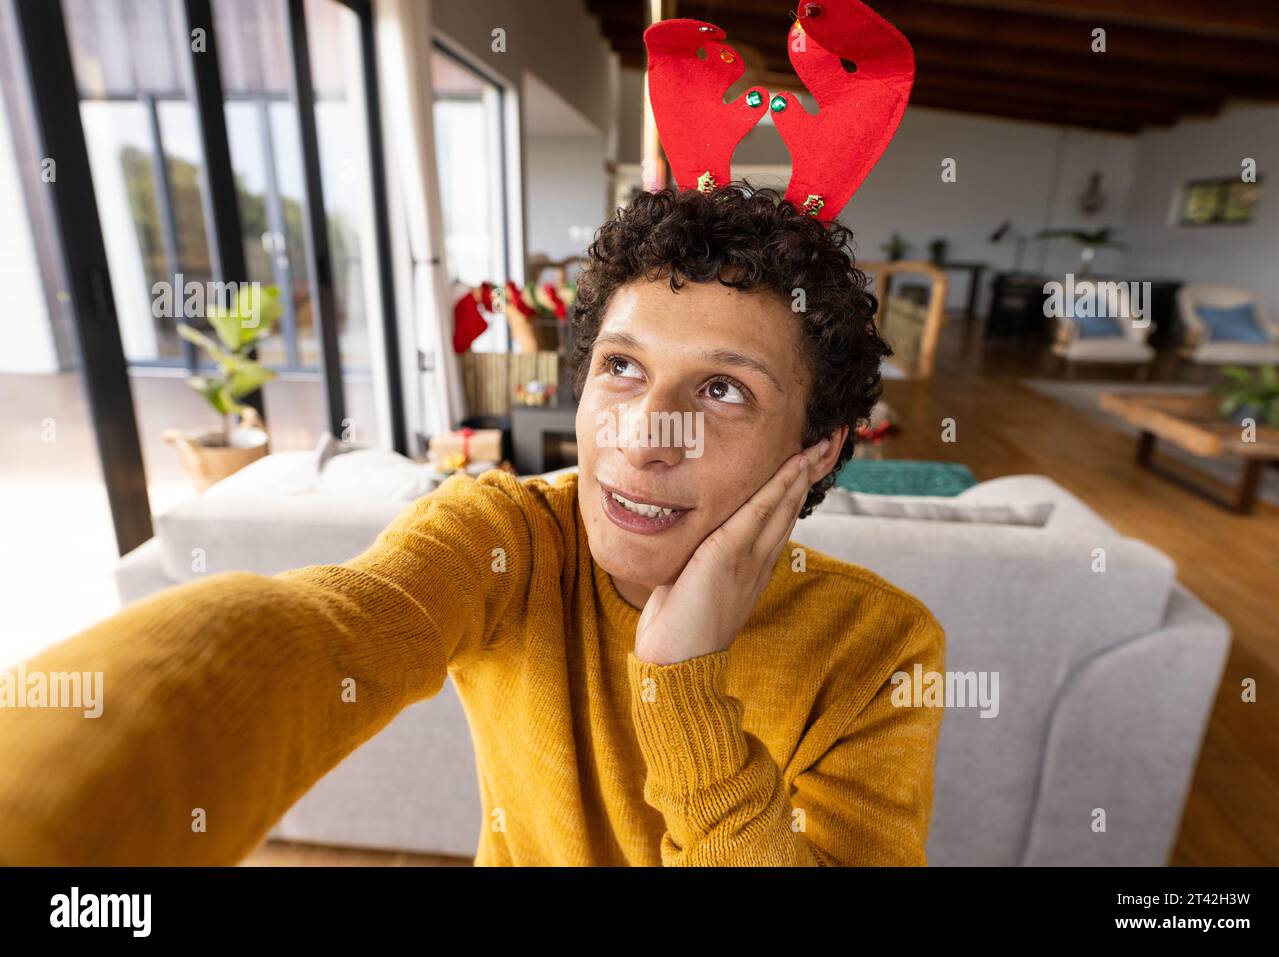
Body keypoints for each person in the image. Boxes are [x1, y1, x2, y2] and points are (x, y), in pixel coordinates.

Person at [0, 183, 944, 866]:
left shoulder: (880, 646)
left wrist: (685, 685)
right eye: (621, 367)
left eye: (724, 388)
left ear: (817, 449)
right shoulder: (507, 539)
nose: (642, 436)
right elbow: (332, 629)